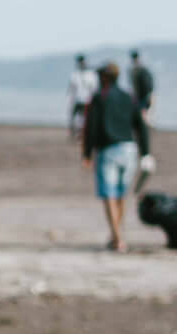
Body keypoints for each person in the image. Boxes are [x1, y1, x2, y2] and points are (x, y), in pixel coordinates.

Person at [82, 61, 150, 253]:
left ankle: (117, 238)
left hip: (108, 150)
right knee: (121, 195)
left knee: (109, 195)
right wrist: (146, 152)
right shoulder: (129, 97)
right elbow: (141, 126)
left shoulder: (99, 98)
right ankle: (117, 235)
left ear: (104, 77)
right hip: (129, 149)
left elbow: (91, 127)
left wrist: (87, 153)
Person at [66, 55, 98, 140]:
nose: (81, 64)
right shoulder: (74, 75)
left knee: (84, 118)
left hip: (86, 100)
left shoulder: (90, 74)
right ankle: (74, 134)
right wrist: (70, 99)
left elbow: (94, 88)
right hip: (77, 99)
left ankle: (82, 134)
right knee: (74, 118)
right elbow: (71, 88)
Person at [129, 50, 155, 120]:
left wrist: (150, 95)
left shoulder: (140, 70)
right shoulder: (135, 70)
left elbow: (148, 85)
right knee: (142, 114)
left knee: (143, 114)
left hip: (143, 96)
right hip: (139, 97)